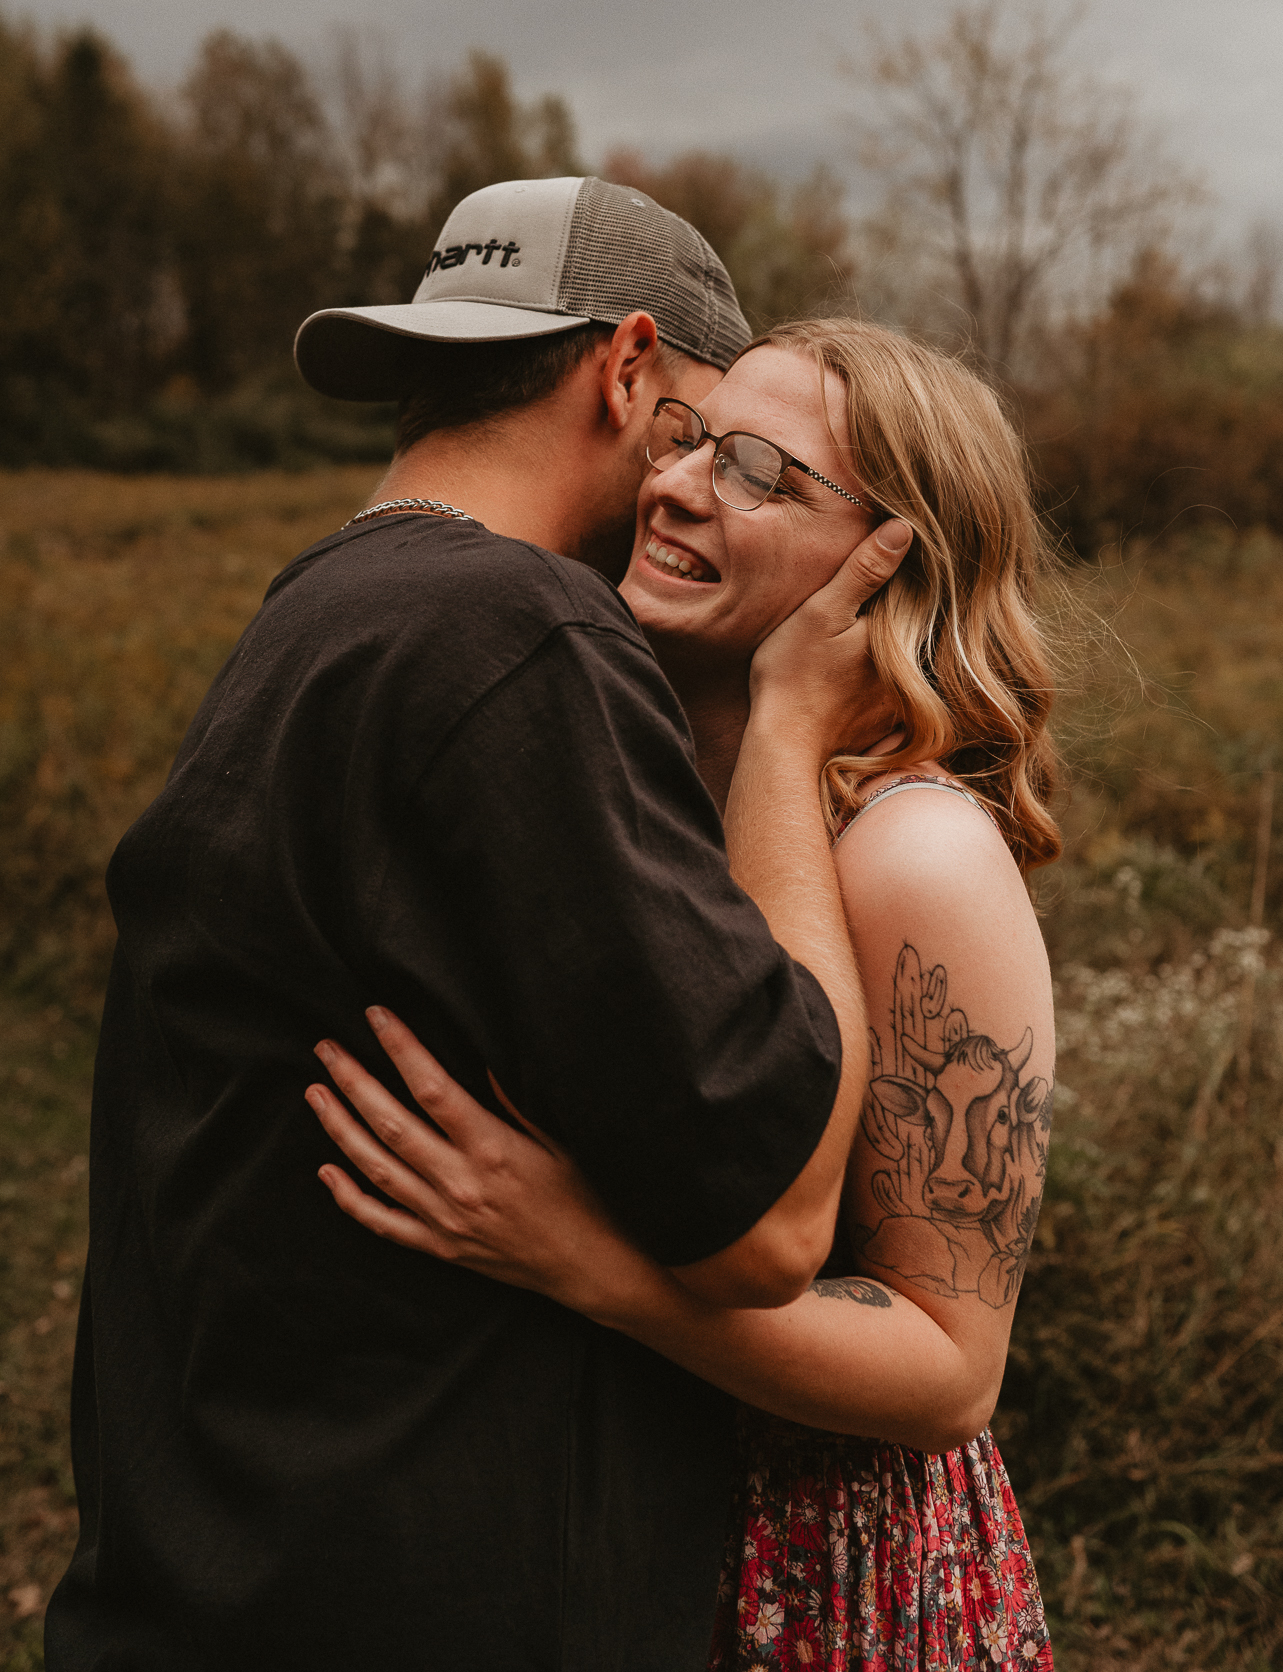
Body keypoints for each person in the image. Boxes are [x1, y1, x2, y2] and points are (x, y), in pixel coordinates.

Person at [46, 178, 911, 1672]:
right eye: (698, 430)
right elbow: (770, 1209)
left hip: (218, 1564)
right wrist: (786, 731)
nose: (689, 484)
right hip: (421, 1595)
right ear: (626, 367)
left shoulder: (320, 610)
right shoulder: (514, 630)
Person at [305, 317, 1059, 1670]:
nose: (677, 486)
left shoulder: (913, 852)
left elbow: (953, 1371)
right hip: (606, 1522)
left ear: (889, 563)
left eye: (761, 472)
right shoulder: (625, 782)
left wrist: (581, 1257)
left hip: (818, 1564)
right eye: (692, 439)